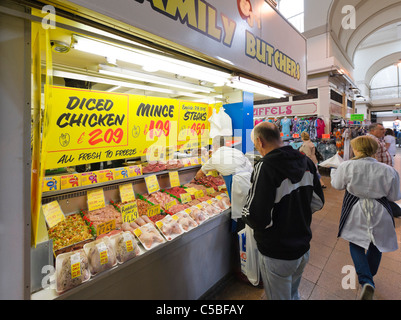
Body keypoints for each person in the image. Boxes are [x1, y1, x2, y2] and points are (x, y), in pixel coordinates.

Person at [242, 122, 325, 300]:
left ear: (259, 141)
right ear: (280, 136)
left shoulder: (265, 166)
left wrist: (244, 215)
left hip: (276, 251)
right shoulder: (306, 161)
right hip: (302, 247)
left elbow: (257, 216)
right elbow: (318, 202)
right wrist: (296, 214)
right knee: (293, 294)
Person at [330, 135, 401, 300]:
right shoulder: (388, 170)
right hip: (381, 210)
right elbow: (394, 195)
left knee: (355, 243)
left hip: (355, 208)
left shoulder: (347, 166)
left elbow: (337, 185)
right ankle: (369, 274)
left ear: (357, 149)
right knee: (377, 243)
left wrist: (334, 171)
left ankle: (366, 279)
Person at [194, 135, 253, 221]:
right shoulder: (235, 151)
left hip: (237, 182)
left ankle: (238, 231)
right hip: (251, 178)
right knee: (249, 207)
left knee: (240, 212)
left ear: (214, 145)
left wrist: (194, 180)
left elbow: (200, 173)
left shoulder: (215, 156)